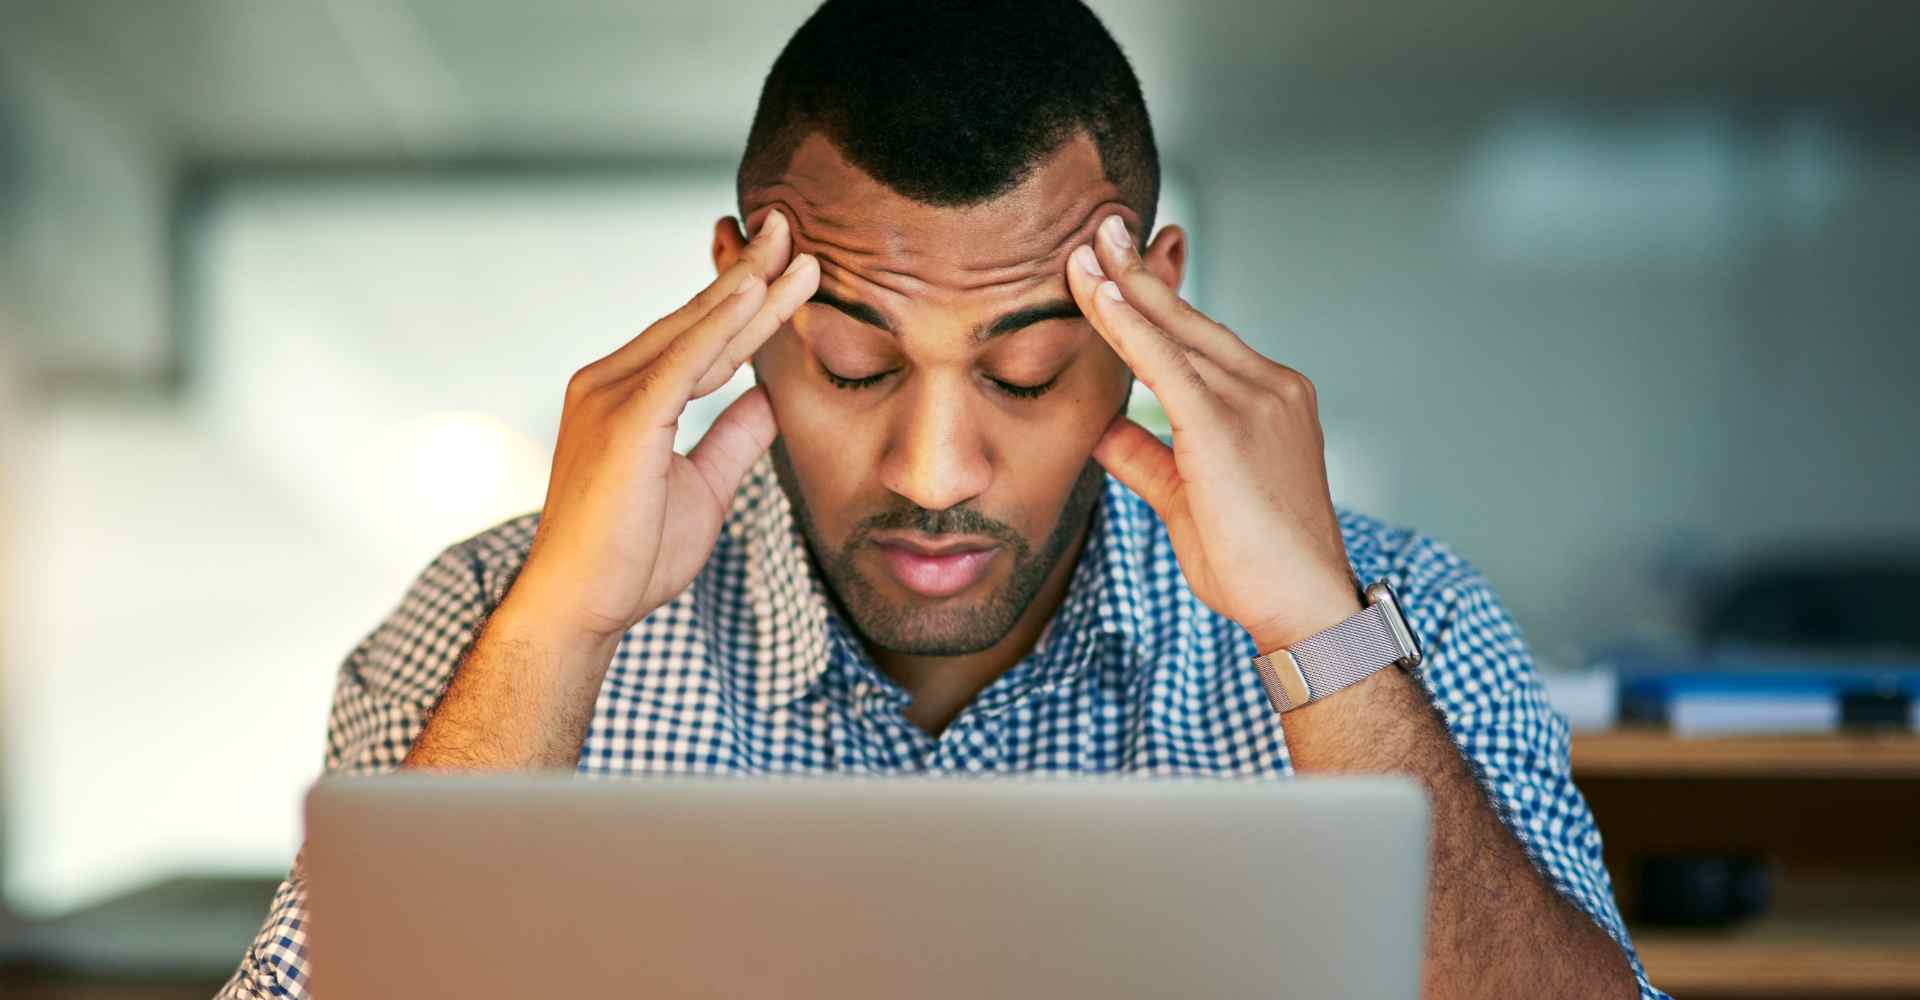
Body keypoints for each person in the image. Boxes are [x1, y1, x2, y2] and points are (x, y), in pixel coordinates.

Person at [221, 1, 1665, 997]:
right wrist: (555, 639)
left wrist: (1317, 635)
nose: (932, 471)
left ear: (1151, 310)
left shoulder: (1398, 620)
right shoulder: (490, 620)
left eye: (1028, 374)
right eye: (851, 363)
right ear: (738, 294)